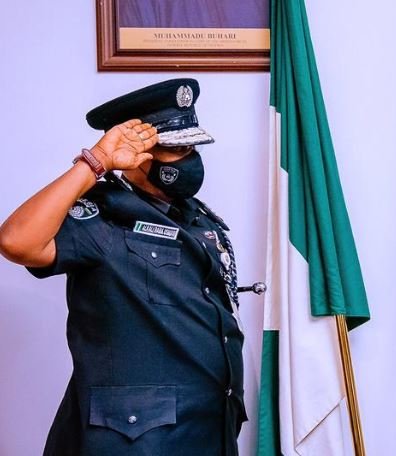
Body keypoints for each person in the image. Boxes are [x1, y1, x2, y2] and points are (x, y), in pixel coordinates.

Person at [0, 79, 246, 455]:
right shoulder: (102, 218)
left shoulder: (197, 219)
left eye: (191, 147)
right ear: (137, 155)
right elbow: (17, 241)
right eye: (175, 149)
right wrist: (94, 163)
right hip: (136, 442)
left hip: (206, 430)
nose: (189, 159)